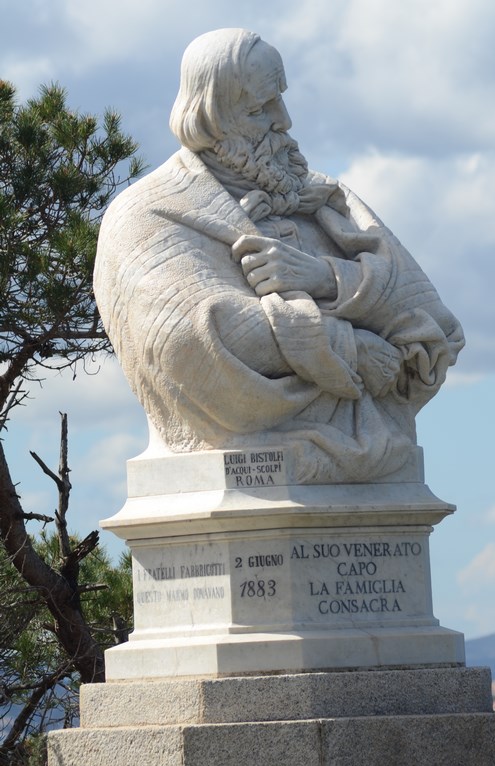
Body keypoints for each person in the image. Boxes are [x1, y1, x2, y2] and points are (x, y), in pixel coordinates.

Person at [94, 28, 464, 484]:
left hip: (378, 464)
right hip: (238, 480)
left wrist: (328, 279)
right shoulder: (150, 215)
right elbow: (190, 341)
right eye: (260, 107)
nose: (284, 120)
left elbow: (432, 328)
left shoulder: (325, 199)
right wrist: (351, 346)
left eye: (281, 99)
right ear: (213, 117)